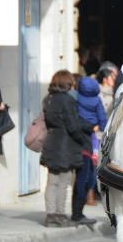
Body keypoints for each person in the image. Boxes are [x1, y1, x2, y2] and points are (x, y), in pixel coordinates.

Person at [40, 71, 93, 227]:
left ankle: (50, 215)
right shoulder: (67, 100)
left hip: (51, 143)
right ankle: (60, 214)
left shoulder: (48, 99)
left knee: (51, 182)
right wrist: (83, 140)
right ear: (67, 83)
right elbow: (73, 126)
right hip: (66, 146)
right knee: (63, 182)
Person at [73, 75, 106, 225]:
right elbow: (103, 120)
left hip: (76, 139)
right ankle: (79, 210)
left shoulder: (75, 98)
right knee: (89, 174)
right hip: (90, 138)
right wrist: (97, 126)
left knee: (80, 175)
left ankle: (77, 211)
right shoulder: (97, 100)